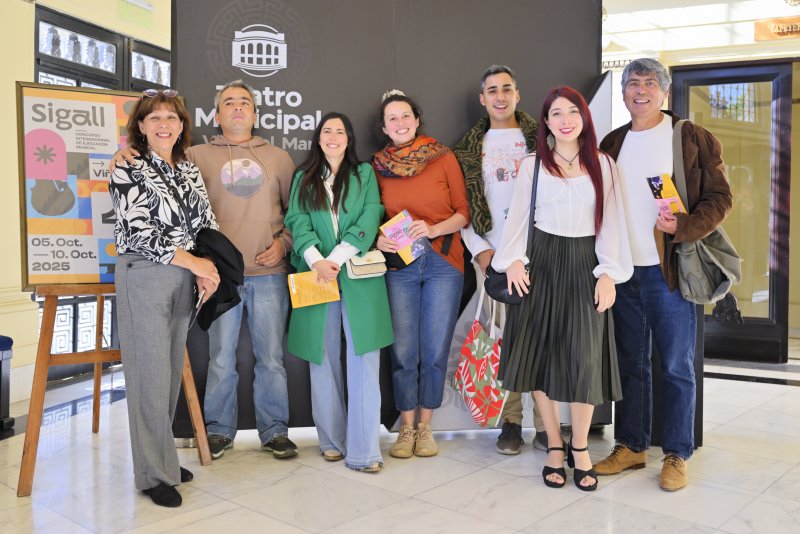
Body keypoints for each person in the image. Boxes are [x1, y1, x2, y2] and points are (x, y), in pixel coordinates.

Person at [112, 80, 298, 460]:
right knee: (220, 358)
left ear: (255, 113)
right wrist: (124, 152)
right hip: (217, 276)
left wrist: (283, 245)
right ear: (216, 114)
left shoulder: (280, 158)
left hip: (269, 274)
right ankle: (217, 431)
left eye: (244, 102)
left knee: (272, 358)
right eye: (228, 102)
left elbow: (296, 214)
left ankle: (276, 431)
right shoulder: (193, 156)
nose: (237, 107)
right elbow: (155, 164)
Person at [594, 58, 732, 492]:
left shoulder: (690, 137)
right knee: (630, 363)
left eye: (650, 83)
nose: (641, 90)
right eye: (633, 83)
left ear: (664, 91)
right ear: (623, 94)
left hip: (668, 270)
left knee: (675, 365)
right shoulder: (612, 143)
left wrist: (684, 226)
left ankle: (676, 452)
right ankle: (632, 445)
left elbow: (720, 197)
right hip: (622, 271)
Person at [492, 86, 632, 491]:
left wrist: (609, 273)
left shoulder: (604, 164)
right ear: (546, 122)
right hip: (541, 262)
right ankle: (555, 445)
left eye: (572, 111)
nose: (565, 119)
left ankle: (580, 447)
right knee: (541, 356)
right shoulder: (532, 165)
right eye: (556, 113)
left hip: (587, 263)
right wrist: (512, 259)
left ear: (583, 117)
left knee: (584, 358)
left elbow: (613, 221)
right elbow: (518, 217)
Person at [109, 90, 220, 507]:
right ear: (141, 125)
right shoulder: (127, 166)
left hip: (185, 275)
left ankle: (163, 460)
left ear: (181, 125)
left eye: (171, 117)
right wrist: (196, 264)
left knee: (169, 373)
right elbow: (140, 232)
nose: (163, 124)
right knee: (149, 377)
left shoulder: (188, 168)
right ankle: (153, 474)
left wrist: (208, 269)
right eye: (154, 117)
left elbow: (206, 222)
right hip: (145, 273)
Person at [284, 112, 393, 472]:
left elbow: (370, 216)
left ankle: (365, 452)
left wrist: (336, 258)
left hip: (358, 274)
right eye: (327, 131)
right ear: (318, 138)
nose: (333, 137)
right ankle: (331, 440)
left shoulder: (364, 174)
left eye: (340, 131)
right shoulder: (303, 177)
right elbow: (296, 220)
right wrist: (317, 261)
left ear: (349, 139)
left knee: (365, 359)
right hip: (315, 275)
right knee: (322, 356)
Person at [452, 64, 547, 455]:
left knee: (542, 338)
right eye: (492, 90)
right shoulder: (468, 149)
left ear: (517, 94)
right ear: (482, 98)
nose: (500, 96)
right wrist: (481, 251)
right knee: (503, 340)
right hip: (493, 258)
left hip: (539, 252)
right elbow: (460, 206)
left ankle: (546, 424)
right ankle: (511, 420)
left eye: (507, 89)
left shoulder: (543, 140)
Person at [372, 91, 470, 458]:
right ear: (384, 128)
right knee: (402, 351)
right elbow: (371, 215)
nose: (400, 123)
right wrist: (377, 238)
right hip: (400, 265)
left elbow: (464, 213)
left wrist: (433, 228)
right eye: (392, 118)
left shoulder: (442, 157)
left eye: (405, 116)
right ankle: (406, 427)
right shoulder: (377, 165)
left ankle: (426, 427)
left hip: (444, 261)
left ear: (416, 120)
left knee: (434, 349)